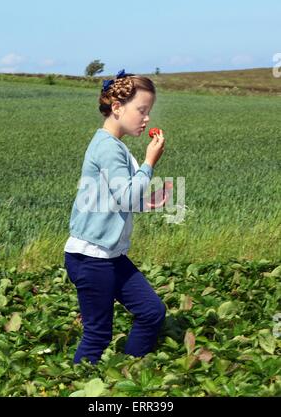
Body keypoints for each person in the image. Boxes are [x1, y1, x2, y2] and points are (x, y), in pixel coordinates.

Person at [64, 69, 166, 365]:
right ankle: (77, 384)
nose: (146, 118)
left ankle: (126, 374)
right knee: (97, 335)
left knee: (151, 312)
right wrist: (149, 162)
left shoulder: (112, 145)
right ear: (117, 107)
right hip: (91, 258)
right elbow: (127, 195)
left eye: (149, 112)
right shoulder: (108, 147)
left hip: (108, 255)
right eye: (142, 110)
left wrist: (148, 203)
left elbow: (115, 199)